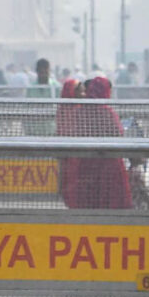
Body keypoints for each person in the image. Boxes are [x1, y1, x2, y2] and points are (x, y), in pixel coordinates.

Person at [60, 74, 133, 209]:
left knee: (89, 200)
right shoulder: (108, 112)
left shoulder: (79, 111)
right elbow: (118, 133)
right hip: (109, 163)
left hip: (86, 162)